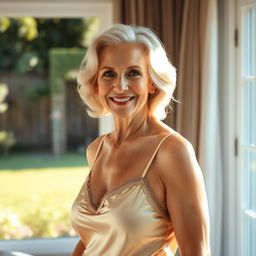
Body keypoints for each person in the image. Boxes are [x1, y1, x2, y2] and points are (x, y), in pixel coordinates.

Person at [71, 24, 211, 256]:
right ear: (96, 82)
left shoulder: (173, 152)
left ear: (152, 82)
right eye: (109, 74)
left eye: (133, 73)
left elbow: (198, 251)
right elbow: (93, 240)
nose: (120, 86)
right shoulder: (96, 150)